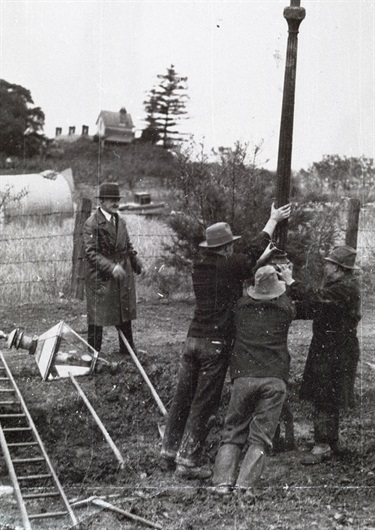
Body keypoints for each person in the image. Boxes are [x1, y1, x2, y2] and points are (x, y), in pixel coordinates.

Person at [160, 203, 291, 480]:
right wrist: (272, 220)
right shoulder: (230, 265)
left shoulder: (201, 267)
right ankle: (189, 461)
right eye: (231, 245)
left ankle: (169, 451)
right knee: (203, 402)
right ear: (227, 248)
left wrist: (254, 262)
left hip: (192, 339)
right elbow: (254, 249)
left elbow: (240, 268)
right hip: (214, 345)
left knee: (182, 397)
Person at [212, 265, 295, 494]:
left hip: (243, 377)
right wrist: (288, 279)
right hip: (274, 378)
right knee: (261, 437)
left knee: (233, 431)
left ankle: (221, 483)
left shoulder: (240, 308)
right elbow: (292, 300)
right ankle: (245, 486)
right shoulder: (285, 309)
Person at [278, 245, 361, 464]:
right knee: (328, 394)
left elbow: (316, 298)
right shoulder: (339, 286)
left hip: (335, 348)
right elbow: (316, 309)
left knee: (324, 393)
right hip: (331, 346)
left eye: (329, 263)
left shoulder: (345, 288)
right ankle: (329, 441)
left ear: (338, 268)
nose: (325, 266)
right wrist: (287, 312)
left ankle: (323, 445)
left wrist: (290, 281)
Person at [83, 182, 142, 356]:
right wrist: (111, 267)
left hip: (121, 271)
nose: (115, 203)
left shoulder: (120, 221)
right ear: (101, 201)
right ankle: (93, 354)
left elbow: (127, 245)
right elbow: (91, 253)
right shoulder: (91, 224)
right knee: (97, 316)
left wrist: (135, 260)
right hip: (101, 276)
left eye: (117, 199)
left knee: (124, 312)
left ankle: (127, 349)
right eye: (111, 199)